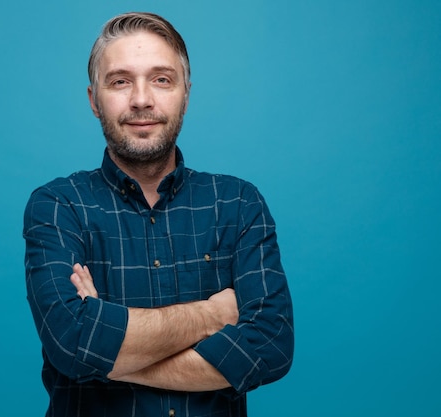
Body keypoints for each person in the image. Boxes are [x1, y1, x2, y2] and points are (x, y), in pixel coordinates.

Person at [23, 11, 294, 417]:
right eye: (120, 81)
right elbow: (72, 343)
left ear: (186, 93)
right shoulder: (58, 205)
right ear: (94, 100)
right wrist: (212, 315)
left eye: (162, 79)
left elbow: (270, 348)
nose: (141, 99)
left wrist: (110, 354)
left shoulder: (238, 203)